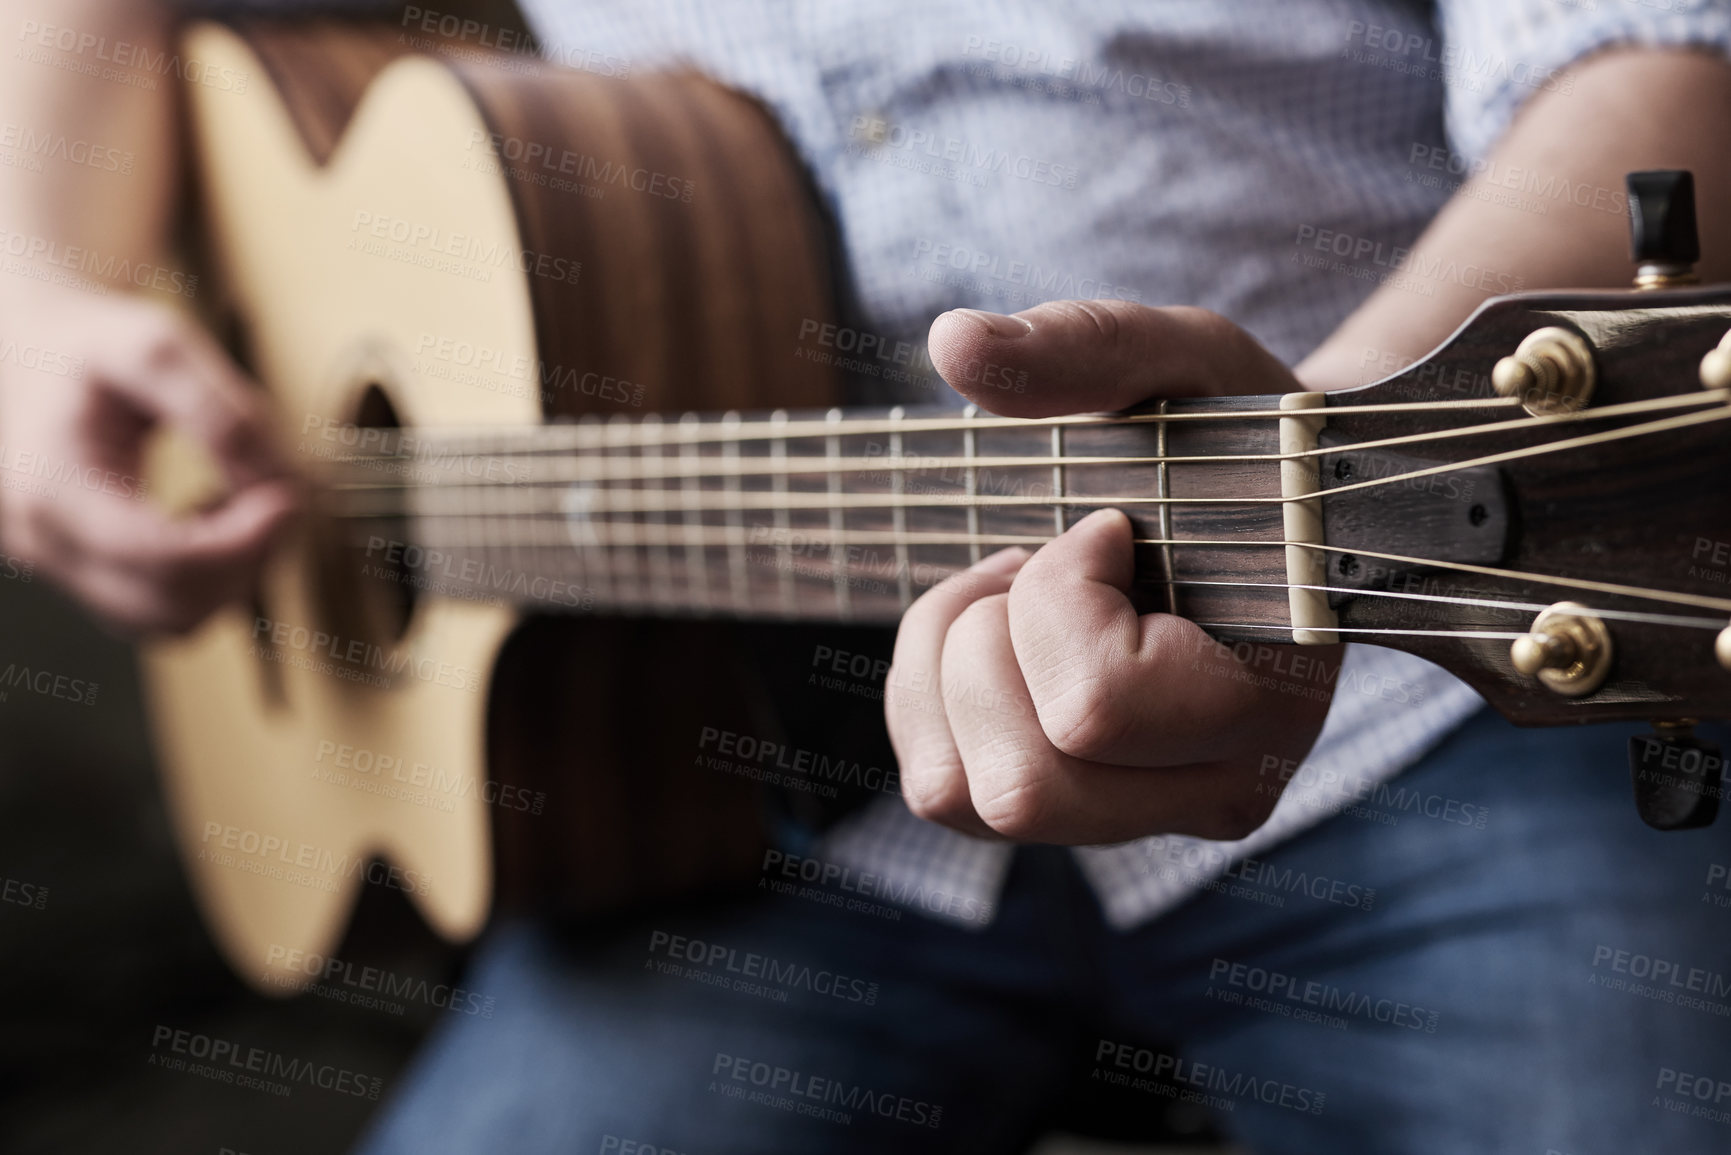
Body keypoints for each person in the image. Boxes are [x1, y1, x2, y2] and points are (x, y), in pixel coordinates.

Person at [4, 0, 1731, 1151]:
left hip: (1438, 680)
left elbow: (1660, 69)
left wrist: (1311, 468)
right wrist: (34, 291)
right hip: (723, 801)